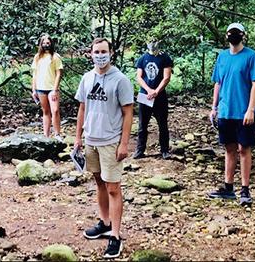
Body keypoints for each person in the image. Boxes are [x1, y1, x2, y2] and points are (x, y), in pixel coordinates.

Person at [74, 38, 134, 258]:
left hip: (111, 141)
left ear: (111, 53)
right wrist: (78, 137)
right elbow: (82, 108)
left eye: (103, 51)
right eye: (96, 51)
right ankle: (104, 222)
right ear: (90, 54)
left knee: (113, 188)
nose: (100, 55)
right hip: (91, 140)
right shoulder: (87, 78)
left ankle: (115, 236)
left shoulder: (120, 80)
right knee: (99, 182)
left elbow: (128, 112)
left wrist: (124, 143)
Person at [207, 23, 255, 206]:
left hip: (243, 111)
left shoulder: (251, 56)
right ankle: (228, 187)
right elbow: (218, 83)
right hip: (225, 110)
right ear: (226, 35)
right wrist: (214, 107)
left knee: (244, 149)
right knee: (229, 149)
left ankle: (245, 190)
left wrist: (251, 109)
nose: (233, 35)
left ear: (243, 35)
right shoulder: (222, 57)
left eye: (237, 33)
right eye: (231, 32)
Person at [133, 38, 173, 160]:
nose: (152, 44)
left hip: (160, 97)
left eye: (154, 41)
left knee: (162, 125)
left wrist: (156, 91)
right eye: (150, 41)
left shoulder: (165, 58)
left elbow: (166, 77)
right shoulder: (142, 58)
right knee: (142, 125)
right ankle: (140, 150)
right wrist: (149, 90)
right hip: (145, 96)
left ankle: (165, 150)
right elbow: (139, 77)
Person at [31, 35, 64, 141]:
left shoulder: (55, 57)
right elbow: (35, 74)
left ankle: (57, 134)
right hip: (41, 87)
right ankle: (46, 135)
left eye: (48, 43)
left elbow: (59, 73)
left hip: (52, 88)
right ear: (41, 44)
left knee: (55, 110)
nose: (46, 45)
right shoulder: (37, 57)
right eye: (44, 43)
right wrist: (33, 89)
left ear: (51, 44)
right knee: (45, 111)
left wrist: (55, 89)